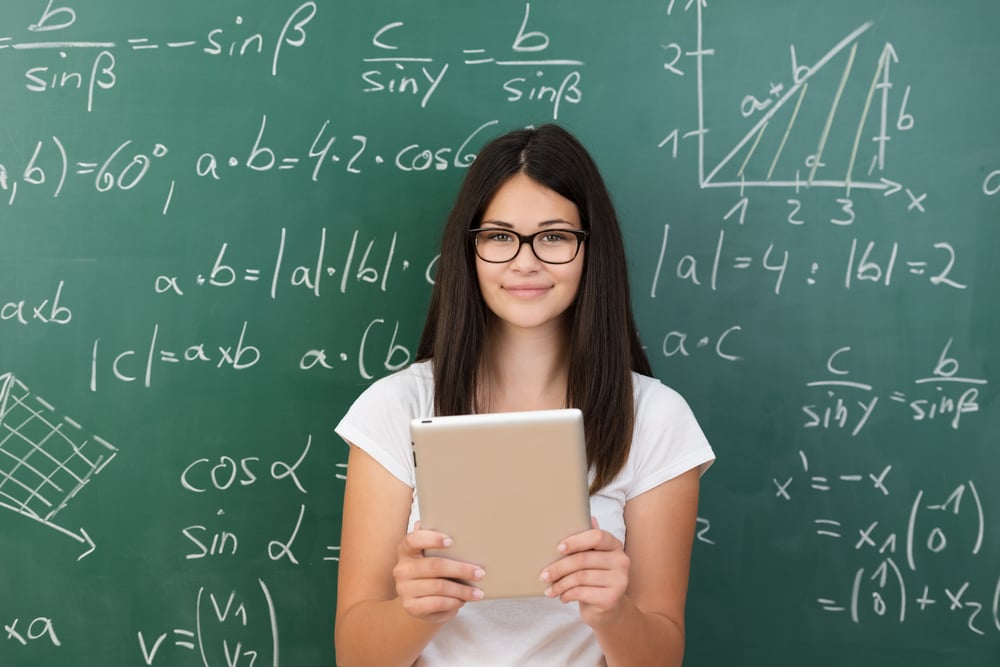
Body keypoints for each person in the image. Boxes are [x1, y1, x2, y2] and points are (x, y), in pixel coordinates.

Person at [334, 123, 715, 666]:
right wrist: (416, 611)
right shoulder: (396, 408)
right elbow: (355, 655)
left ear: (591, 250)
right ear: (470, 250)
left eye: (555, 236)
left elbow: (661, 656)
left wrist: (613, 613)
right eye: (499, 236)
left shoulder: (654, 418)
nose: (525, 261)